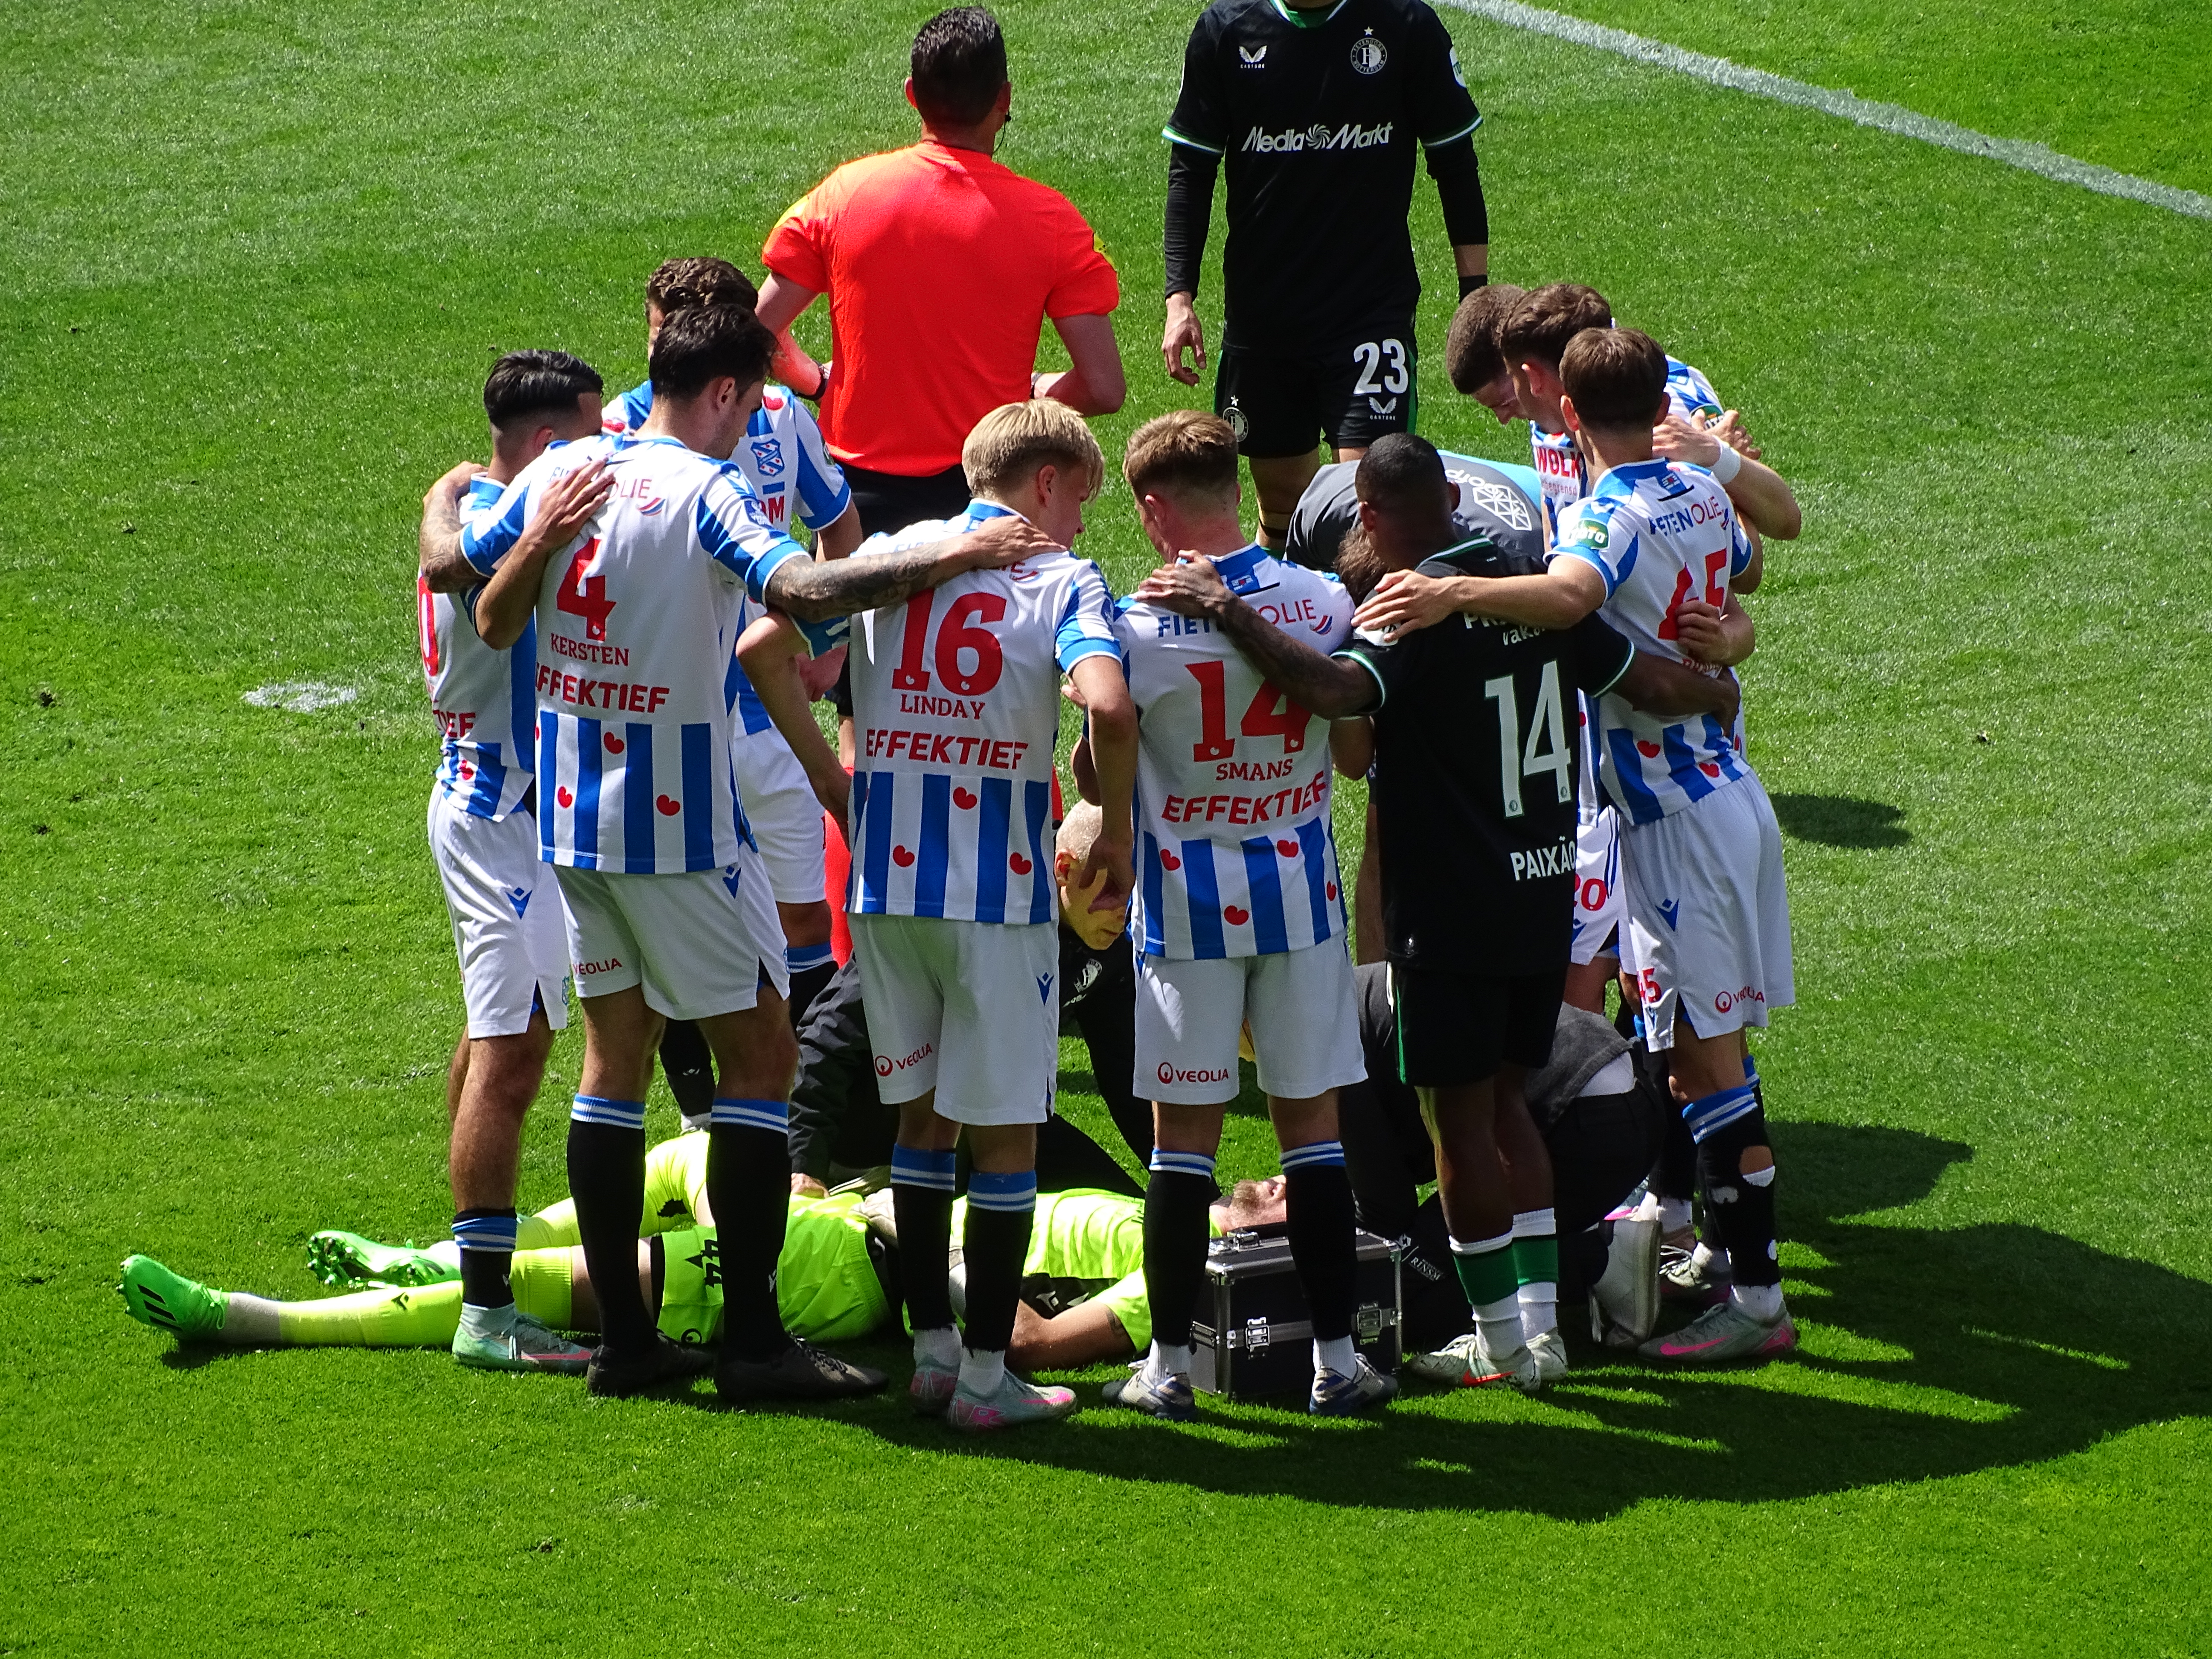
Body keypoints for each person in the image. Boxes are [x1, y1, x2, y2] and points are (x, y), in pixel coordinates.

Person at [463, 305, 1051, 1403]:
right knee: (761, 1064)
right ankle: (751, 1342)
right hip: (677, 828)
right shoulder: (705, 491)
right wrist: (949, 549)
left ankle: (631, 1350)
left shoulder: (569, 464)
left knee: (613, 1061)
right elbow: (802, 593)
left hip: (573, 821)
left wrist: (470, 518)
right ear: (727, 392)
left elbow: (475, 592)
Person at [1130, 432, 1742, 1390]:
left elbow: (1336, 692)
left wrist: (1227, 609)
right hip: (1544, 891)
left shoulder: (1408, 605)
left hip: (1452, 906)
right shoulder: (1527, 580)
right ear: (1452, 492)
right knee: (1507, 1104)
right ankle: (1538, 1327)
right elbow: (1643, 678)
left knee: (1459, 1119)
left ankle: (1503, 1344)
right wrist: (1723, 682)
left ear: (1368, 517)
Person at [1355, 332, 1799, 1364]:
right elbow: (1749, 564)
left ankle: (1759, 1300)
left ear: (1566, 417)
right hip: (1714, 787)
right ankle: (1706, 1255)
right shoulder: (1695, 488)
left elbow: (1568, 600)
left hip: (1675, 819)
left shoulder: (1608, 514)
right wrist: (1732, 639)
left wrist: (1449, 592)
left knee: (1707, 1066)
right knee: (1692, 1053)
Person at [745, 399, 1140, 1433]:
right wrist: (1117, 826)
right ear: (1046, 482)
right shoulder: (1055, 578)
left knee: (925, 1123)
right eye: (1081, 504)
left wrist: (835, 783)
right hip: (996, 899)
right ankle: (980, 1380)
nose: (1081, 530)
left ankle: (929, 1356)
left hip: (883, 891)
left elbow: (760, 648)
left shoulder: (887, 557)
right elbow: (1106, 704)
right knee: (1005, 1137)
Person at [1090, 410, 1384, 1421]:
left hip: (1185, 915)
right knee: (1312, 1140)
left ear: (1154, 509)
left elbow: (1098, 766)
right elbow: (1352, 756)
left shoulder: (1128, 625)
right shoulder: (1318, 600)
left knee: (1184, 1149)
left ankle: (1168, 1368)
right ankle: (1336, 1365)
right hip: (1301, 903)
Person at [117, 1131, 1289, 1375]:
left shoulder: (1163, 1288)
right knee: (690, 1153)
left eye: (1283, 1197)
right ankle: (429, 1253)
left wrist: (879, 1228)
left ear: (1264, 1248)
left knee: (574, 1288)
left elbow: (1031, 1336)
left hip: (844, 1276)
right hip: (845, 1221)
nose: (1272, 1178)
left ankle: (241, 1317)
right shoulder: (1151, 1212)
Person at [595, 258, 864, 1118]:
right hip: (702, 719)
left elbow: (836, 523)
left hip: (742, 714)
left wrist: (825, 645)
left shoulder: (766, 417)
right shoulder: (633, 430)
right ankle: (722, 1120)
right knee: (727, 935)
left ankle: (795, 1119)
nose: (653, 348)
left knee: (796, 925)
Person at [412, 350, 605, 1375]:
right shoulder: (497, 526)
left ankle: (463, 1248)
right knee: (515, 1049)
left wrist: (442, 492)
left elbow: (446, 518)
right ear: (542, 446)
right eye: (585, 436)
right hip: (501, 816)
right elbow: (464, 567)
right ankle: (486, 1312)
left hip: (488, 801)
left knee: (497, 1032)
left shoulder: (469, 498)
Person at [757, 6, 1126, 538]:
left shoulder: (843, 196)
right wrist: (1032, 397)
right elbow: (1104, 387)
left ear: (912, 93)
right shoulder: (1051, 221)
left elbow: (757, 332)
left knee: (858, 623)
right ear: (1004, 100)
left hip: (857, 497)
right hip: (990, 493)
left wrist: (815, 381)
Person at [1160, 0, 1487, 545]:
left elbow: (1453, 158)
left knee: (1367, 505)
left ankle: (1372, 631)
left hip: (1369, 314)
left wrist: (1474, 292)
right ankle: (1288, 622)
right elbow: (1191, 172)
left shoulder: (1403, 24)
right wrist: (1180, 300)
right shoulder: (1228, 28)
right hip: (1264, 322)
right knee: (1285, 511)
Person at [783, 804, 1153, 1190]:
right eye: (1113, 889)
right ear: (1064, 869)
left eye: (1136, 888)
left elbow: (1125, 1070)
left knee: (1123, 1201)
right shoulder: (971, 903)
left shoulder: (1107, 929)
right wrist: (806, 1164)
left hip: (986, 1117)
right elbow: (827, 1032)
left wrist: (1186, 1184)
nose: (1124, 910)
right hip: (870, 1127)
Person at [1280, 429, 1546, 964]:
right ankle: (1378, 991)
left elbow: (1563, 602)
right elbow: (1357, 759)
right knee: (1387, 826)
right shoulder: (1318, 519)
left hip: (1518, 531)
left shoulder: (1520, 558)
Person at [1332, 963, 1667, 1358]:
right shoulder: (1351, 997)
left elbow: (1384, 1210)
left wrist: (1326, 1233)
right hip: (1628, 1102)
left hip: (1582, 1123)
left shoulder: (1330, 1038)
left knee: (1400, 1293)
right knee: (1442, 1240)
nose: (1276, 1184)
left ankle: (1597, 1258)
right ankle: (1597, 1257)